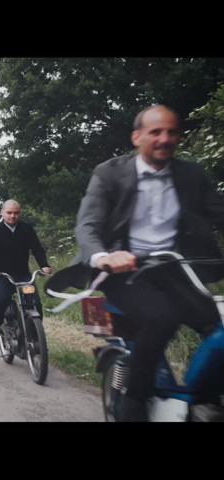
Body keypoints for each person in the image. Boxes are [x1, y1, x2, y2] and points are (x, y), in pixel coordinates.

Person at [46, 104, 224, 422]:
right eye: (156, 132)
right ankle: (133, 404)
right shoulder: (110, 173)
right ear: (136, 137)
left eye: (171, 132)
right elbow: (88, 224)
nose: (164, 138)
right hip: (124, 271)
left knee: (217, 328)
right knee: (162, 317)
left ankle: (205, 400)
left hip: (174, 267)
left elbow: (219, 212)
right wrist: (104, 256)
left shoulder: (191, 173)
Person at [0, 199, 52, 339]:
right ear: (2, 213)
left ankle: (35, 337)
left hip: (23, 275)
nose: (13, 216)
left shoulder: (27, 229)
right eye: (9, 213)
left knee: (35, 302)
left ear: (20, 213)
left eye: (16, 213)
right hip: (0, 276)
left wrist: (44, 265)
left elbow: (37, 249)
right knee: (1, 300)